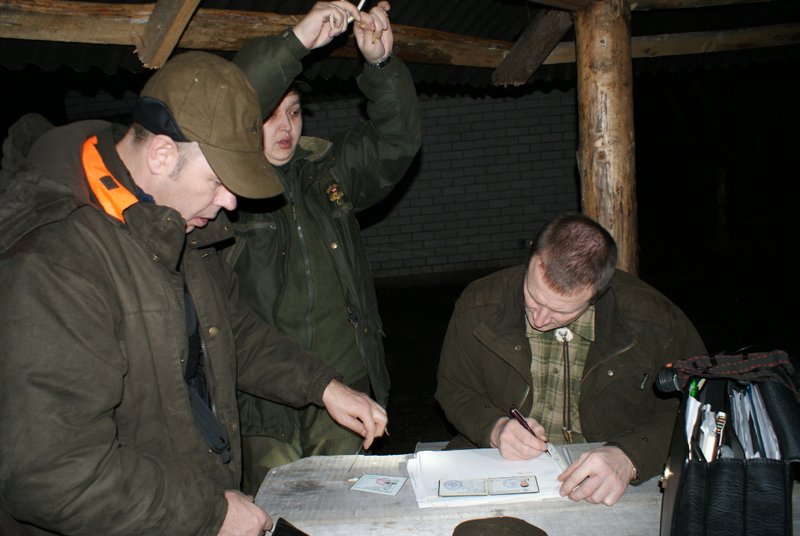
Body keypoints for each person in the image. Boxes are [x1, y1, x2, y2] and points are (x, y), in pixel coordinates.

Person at [0, 5, 389, 534]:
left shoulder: (177, 225)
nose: (230, 203)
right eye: (218, 182)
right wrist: (211, 514)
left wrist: (323, 386)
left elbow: (233, 333)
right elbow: (54, 472)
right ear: (162, 155)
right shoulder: (54, 265)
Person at [225, 1, 421, 494]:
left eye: (293, 112)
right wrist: (296, 41)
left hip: (345, 382)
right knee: (276, 512)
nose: (286, 128)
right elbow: (231, 104)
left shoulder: (326, 172)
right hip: (264, 398)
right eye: (270, 116)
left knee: (344, 510)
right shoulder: (223, 196)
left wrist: (381, 66)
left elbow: (395, 143)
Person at [435, 213, 706, 506]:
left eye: (560, 311)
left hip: (607, 478)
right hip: (502, 468)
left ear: (597, 294)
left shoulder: (656, 322)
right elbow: (454, 389)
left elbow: (697, 411)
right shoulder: (479, 304)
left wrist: (629, 456)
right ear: (531, 256)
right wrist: (495, 428)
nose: (539, 319)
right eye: (533, 297)